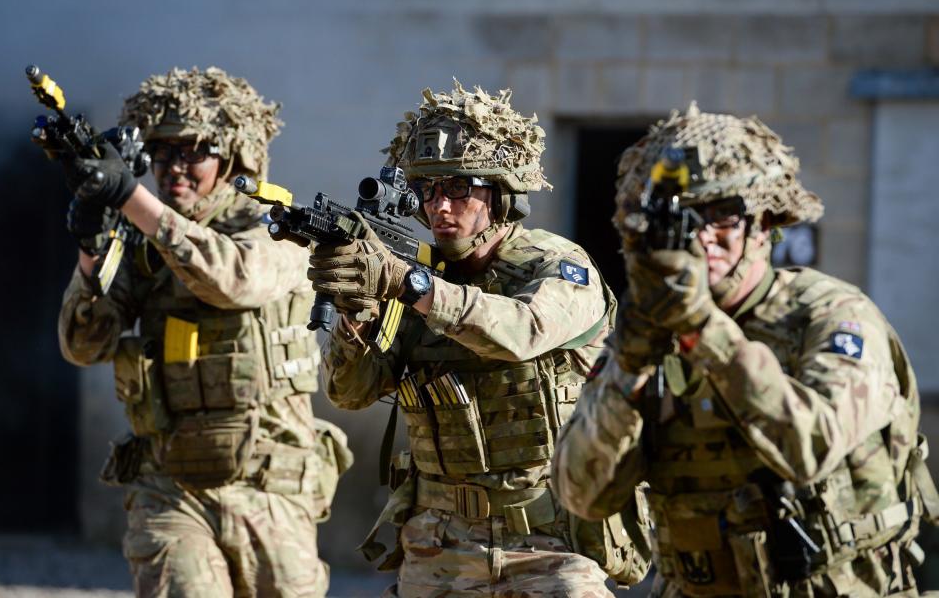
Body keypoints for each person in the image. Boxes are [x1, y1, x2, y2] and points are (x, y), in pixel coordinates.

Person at [551, 103, 938, 597]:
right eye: (683, 220)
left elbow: (810, 447)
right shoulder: (648, 332)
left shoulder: (829, 315)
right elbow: (582, 494)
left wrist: (702, 329)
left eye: (721, 216)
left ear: (763, 221)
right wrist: (630, 360)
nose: (702, 238)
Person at [312, 82, 651, 597]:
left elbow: (520, 331)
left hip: (553, 542)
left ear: (500, 193)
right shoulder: (415, 274)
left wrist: (409, 283)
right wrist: (356, 312)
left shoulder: (557, 267)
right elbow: (350, 392)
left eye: (459, 189)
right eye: (428, 192)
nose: (441, 207)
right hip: (439, 543)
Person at [54, 67, 351, 598]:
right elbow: (84, 345)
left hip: (270, 486)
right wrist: (91, 245)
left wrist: (129, 196)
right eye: (162, 154)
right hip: (170, 486)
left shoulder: (278, 228)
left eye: (194, 152)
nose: (175, 170)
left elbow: (233, 280)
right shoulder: (145, 239)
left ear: (234, 158)